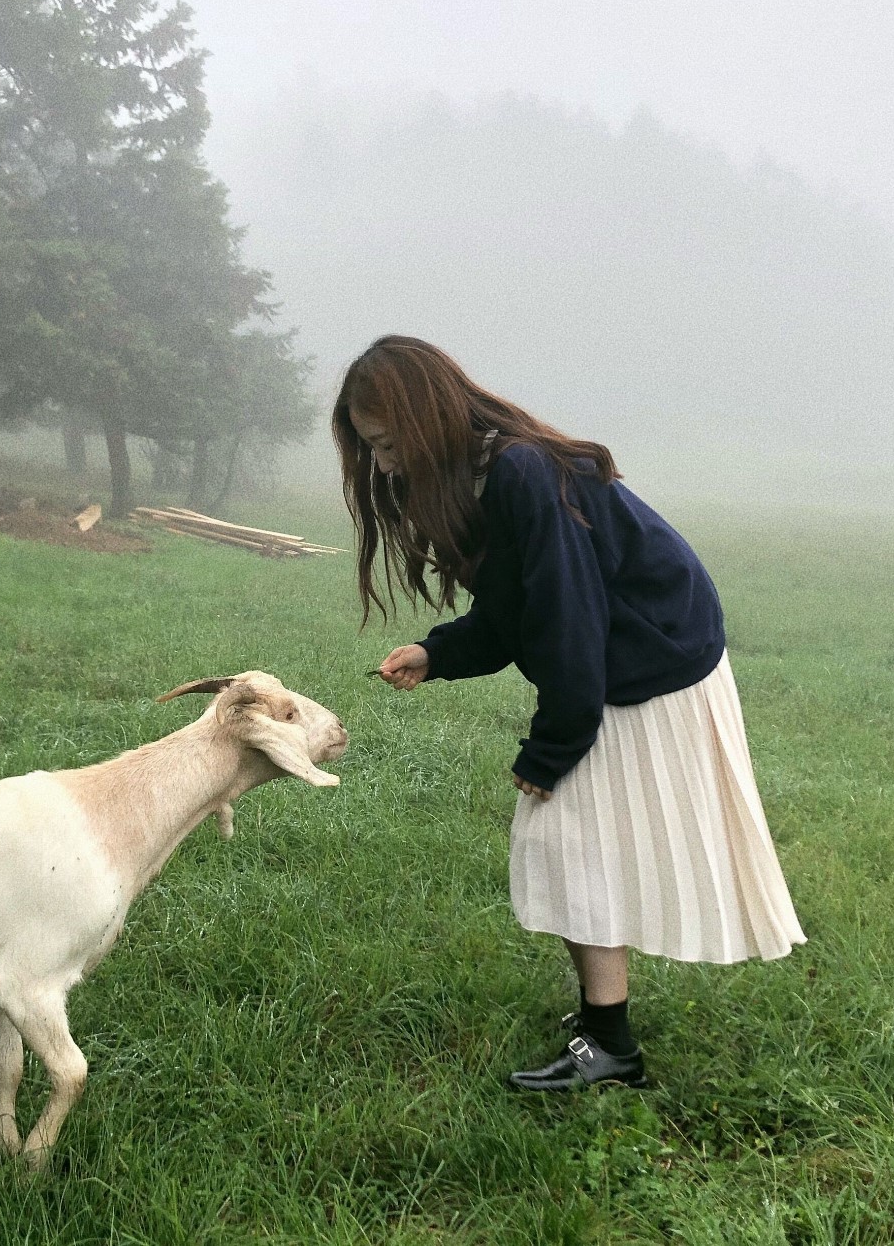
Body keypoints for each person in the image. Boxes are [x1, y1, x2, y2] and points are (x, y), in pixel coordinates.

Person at [335, 336, 805, 1092]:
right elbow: (515, 609)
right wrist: (437, 652)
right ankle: (604, 1029)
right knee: (576, 843)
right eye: (372, 448)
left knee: (562, 838)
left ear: (426, 419)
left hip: (654, 657)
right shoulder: (490, 474)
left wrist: (551, 750)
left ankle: (610, 1047)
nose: (385, 466)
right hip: (623, 654)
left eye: (388, 444)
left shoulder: (520, 470)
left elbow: (568, 621)